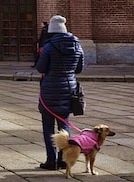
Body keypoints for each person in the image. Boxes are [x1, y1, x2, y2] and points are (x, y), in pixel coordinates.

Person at [35, 15, 83, 171]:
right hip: (69, 89)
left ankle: (51, 161)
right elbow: (79, 69)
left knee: (48, 127)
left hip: (50, 90)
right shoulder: (77, 45)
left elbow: (41, 67)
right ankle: (63, 160)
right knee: (64, 126)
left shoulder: (49, 46)